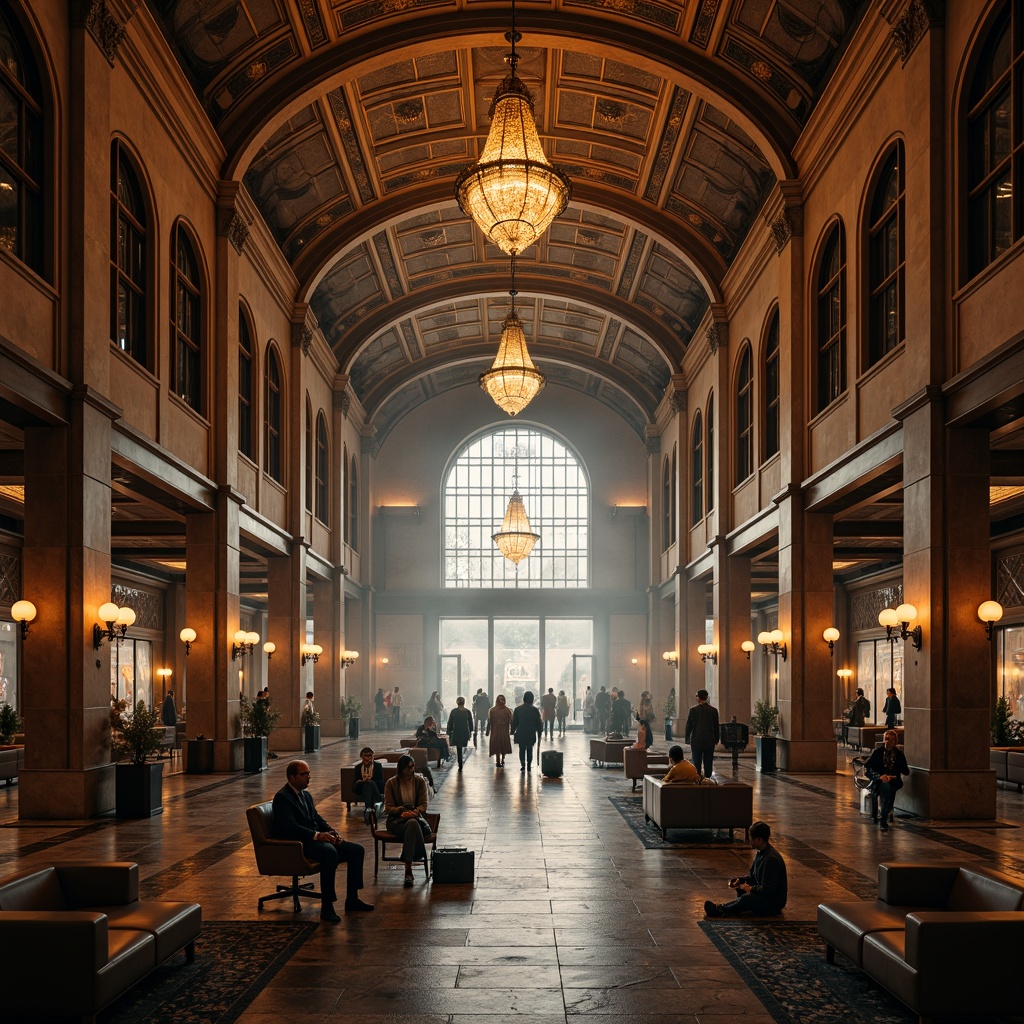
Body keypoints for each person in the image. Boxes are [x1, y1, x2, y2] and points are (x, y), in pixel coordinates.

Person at [272, 759, 373, 920]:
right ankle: (327, 907)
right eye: (303, 774)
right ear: (291, 778)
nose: (308, 777)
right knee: (330, 853)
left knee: (356, 850)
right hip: (299, 843)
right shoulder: (282, 798)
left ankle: (352, 899)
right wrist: (318, 835)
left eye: (308, 774)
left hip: (314, 838)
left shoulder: (305, 795)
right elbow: (290, 827)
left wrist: (331, 832)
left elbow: (317, 819)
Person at [704, 821, 787, 918]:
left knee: (748, 898)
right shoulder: (760, 853)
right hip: (766, 895)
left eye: (751, 837)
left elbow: (769, 889)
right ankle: (728, 908)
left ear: (759, 839)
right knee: (742, 890)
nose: (749, 840)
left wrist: (750, 888)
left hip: (774, 901)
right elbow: (754, 877)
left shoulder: (771, 859)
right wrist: (741, 880)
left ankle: (722, 910)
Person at [383, 753, 432, 887]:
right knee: (412, 824)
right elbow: (388, 807)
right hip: (396, 821)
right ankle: (420, 855)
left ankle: (408, 868)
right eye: (408, 767)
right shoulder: (391, 783)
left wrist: (416, 812)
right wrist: (401, 812)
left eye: (413, 766)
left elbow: (423, 804)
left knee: (412, 823)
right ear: (401, 768)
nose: (411, 769)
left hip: (415, 818)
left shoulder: (419, 781)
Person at [864, 728, 910, 831]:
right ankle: (884, 818)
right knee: (886, 788)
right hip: (880, 780)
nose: (887, 742)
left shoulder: (899, 754)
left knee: (889, 788)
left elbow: (906, 771)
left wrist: (893, 774)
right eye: (886, 739)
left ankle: (884, 814)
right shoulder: (878, 752)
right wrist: (880, 776)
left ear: (895, 741)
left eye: (890, 740)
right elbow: (868, 769)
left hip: (894, 780)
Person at [685, 689, 720, 779]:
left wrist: (687, 738)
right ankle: (708, 779)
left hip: (696, 740)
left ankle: (697, 779)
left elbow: (688, 725)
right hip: (709, 740)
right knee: (708, 761)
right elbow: (716, 726)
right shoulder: (714, 711)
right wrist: (716, 739)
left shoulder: (693, 710)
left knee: (696, 761)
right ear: (706, 697)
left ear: (698, 698)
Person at [511, 691, 544, 772]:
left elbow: (514, 722)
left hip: (521, 733)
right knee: (530, 749)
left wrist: (512, 731)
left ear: (523, 699)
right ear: (532, 700)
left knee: (521, 749)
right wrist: (539, 733)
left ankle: (523, 764)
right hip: (531, 733)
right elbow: (539, 723)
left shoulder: (517, 710)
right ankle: (529, 764)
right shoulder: (535, 710)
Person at [352, 746, 385, 821]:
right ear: (362, 757)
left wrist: (370, 780)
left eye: (370, 756)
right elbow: (355, 783)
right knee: (367, 784)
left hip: (375, 787)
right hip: (361, 787)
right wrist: (362, 781)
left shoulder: (377, 766)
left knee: (369, 784)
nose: (368, 758)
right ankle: (379, 800)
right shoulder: (358, 767)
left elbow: (381, 782)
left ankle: (368, 808)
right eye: (366, 756)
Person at [446, 696, 473, 770]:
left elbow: (450, 722)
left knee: (459, 747)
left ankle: (460, 762)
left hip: (456, 731)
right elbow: (470, 723)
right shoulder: (467, 712)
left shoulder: (454, 711)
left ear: (457, 703)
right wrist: (470, 732)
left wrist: (449, 731)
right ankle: (461, 760)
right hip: (464, 731)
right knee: (463, 746)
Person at [487, 694, 513, 767]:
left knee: (496, 745)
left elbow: (489, 722)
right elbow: (511, 721)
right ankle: (502, 759)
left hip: (495, 730)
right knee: (503, 744)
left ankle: (498, 760)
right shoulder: (508, 710)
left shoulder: (492, 710)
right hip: (504, 730)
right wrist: (512, 730)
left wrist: (487, 730)